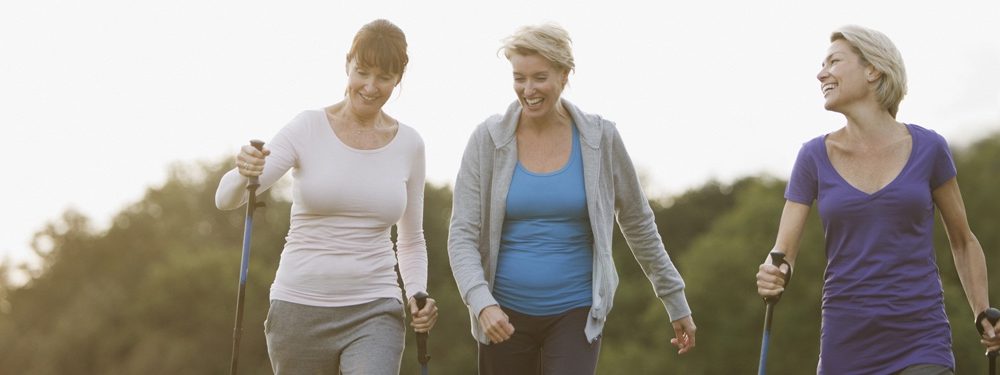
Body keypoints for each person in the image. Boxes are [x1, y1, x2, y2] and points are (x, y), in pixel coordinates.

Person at [447, 23, 696, 375]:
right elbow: (461, 234)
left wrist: (675, 299)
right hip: (502, 312)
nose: (528, 90)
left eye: (540, 78)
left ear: (565, 75)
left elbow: (638, 222)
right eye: (519, 78)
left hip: (576, 312)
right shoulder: (487, 140)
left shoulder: (600, 139)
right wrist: (481, 302)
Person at [755, 25, 999, 374]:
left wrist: (981, 311)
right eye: (822, 65)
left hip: (921, 340)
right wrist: (772, 272)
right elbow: (783, 252)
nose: (821, 74)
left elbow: (963, 241)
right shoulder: (813, 156)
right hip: (844, 346)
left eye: (834, 62)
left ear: (873, 69)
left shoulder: (930, 148)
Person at [215, 19, 437, 375]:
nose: (370, 87)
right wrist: (243, 170)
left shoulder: (410, 144)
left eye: (384, 77)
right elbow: (228, 199)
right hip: (298, 306)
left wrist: (416, 293)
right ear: (347, 64)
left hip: (375, 307)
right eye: (362, 72)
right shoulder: (307, 127)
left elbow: (411, 239)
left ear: (399, 79)